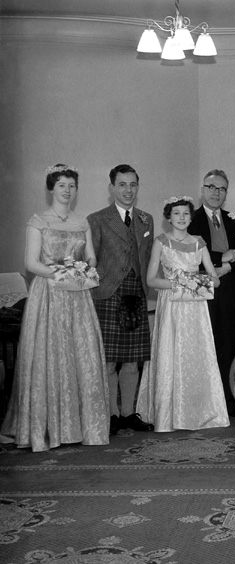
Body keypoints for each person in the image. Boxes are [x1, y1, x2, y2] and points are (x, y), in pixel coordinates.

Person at [1, 165, 109, 451]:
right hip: (48, 293)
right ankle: (46, 428)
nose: (67, 190)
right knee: (50, 353)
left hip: (77, 295)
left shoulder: (80, 221)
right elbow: (31, 263)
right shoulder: (38, 221)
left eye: (72, 185)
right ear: (51, 188)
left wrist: (84, 268)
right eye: (61, 185)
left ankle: (81, 426)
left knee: (79, 353)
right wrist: (62, 273)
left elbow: (91, 257)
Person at [137, 197, 228, 432]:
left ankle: (197, 413)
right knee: (170, 354)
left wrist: (200, 281)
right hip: (171, 305)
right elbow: (150, 280)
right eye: (176, 213)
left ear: (191, 217)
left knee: (195, 355)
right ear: (169, 217)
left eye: (185, 214)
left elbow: (215, 280)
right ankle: (167, 415)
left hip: (196, 309)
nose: (181, 218)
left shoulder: (199, 243)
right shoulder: (161, 242)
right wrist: (178, 283)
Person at [88, 164, 154, 435]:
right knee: (108, 359)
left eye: (133, 185)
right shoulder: (97, 219)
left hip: (136, 294)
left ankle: (129, 413)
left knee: (132, 358)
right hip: (108, 294)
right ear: (112, 187)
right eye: (122, 184)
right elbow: (90, 260)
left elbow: (148, 258)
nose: (128, 190)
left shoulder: (146, 219)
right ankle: (112, 414)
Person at [188, 169, 235, 418]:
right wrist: (220, 257)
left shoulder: (234, 220)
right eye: (212, 187)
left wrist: (227, 266)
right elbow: (186, 256)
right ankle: (204, 401)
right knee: (204, 346)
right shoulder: (189, 219)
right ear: (202, 189)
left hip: (230, 291)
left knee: (228, 346)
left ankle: (227, 399)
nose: (216, 193)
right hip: (201, 291)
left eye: (222, 189)